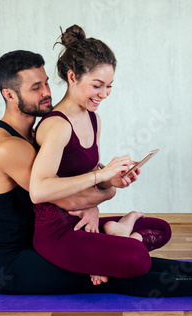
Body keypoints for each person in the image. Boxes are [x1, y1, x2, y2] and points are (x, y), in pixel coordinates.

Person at [0, 47, 192, 297]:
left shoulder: (34, 134)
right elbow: (64, 199)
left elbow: (73, 190)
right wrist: (101, 186)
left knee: (154, 230)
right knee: (114, 275)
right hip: (8, 262)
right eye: (36, 87)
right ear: (9, 94)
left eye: (47, 83)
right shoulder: (7, 147)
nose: (48, 92)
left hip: (52, 234)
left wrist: (96, 205)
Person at [29, 25, 172, 280]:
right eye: (97, 85)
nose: (104, 94)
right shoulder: (57, 126)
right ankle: (121, 241)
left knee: (160, 228)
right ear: (72, 77)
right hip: (56, 231)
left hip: (85, 219)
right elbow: (39, 190)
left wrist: (111, 179)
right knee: (137, 259)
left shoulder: (94, 119)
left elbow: (87, 176)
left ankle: (121, 236)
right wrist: (100, 176)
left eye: (109, 86)